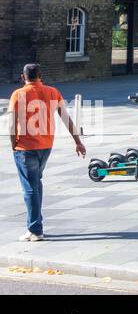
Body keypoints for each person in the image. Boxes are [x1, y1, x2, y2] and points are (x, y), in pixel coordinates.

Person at [8, 63, 86, 241]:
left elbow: (12, 124)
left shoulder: (18, 94)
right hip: (45, 145)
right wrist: (78, 142)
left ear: (23, 77)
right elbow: (66, 118)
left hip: (25, 147)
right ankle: (35, 223)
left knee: (29, 188)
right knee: (36, 183)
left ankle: (35, 229)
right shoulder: (52, 92)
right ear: (40, 76)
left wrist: (13, 144)